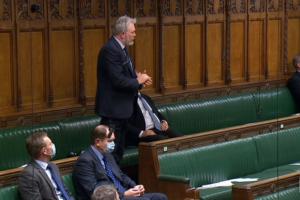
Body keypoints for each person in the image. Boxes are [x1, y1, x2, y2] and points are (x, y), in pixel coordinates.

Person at [94, 15, 152, 164]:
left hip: (123, 111)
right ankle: (111, 186)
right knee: (112, 155)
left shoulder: (121, 49)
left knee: (118, 153)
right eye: (132, 32)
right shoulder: (110, 50)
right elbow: (117, 80)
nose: (135, 34)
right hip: (113, 112)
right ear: (123, 34)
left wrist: (139, 82)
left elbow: (127, 75)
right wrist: (137, 80)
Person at [72, 125, 168, 200]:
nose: (112, 144)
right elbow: (94, 190)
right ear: (98, 141)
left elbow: (121, 175)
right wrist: (123, 194)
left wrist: (135, 186)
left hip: (122, 195)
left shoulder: (107, 155)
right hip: (110, 198)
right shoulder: (85, 161)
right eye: (109, 141)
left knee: (160, 197)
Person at [18, 132, 74, 200]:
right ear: (44, 151)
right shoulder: (29, 174)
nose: (53, 145)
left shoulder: (53, 166)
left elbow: (66, 192)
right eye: (50, 144)